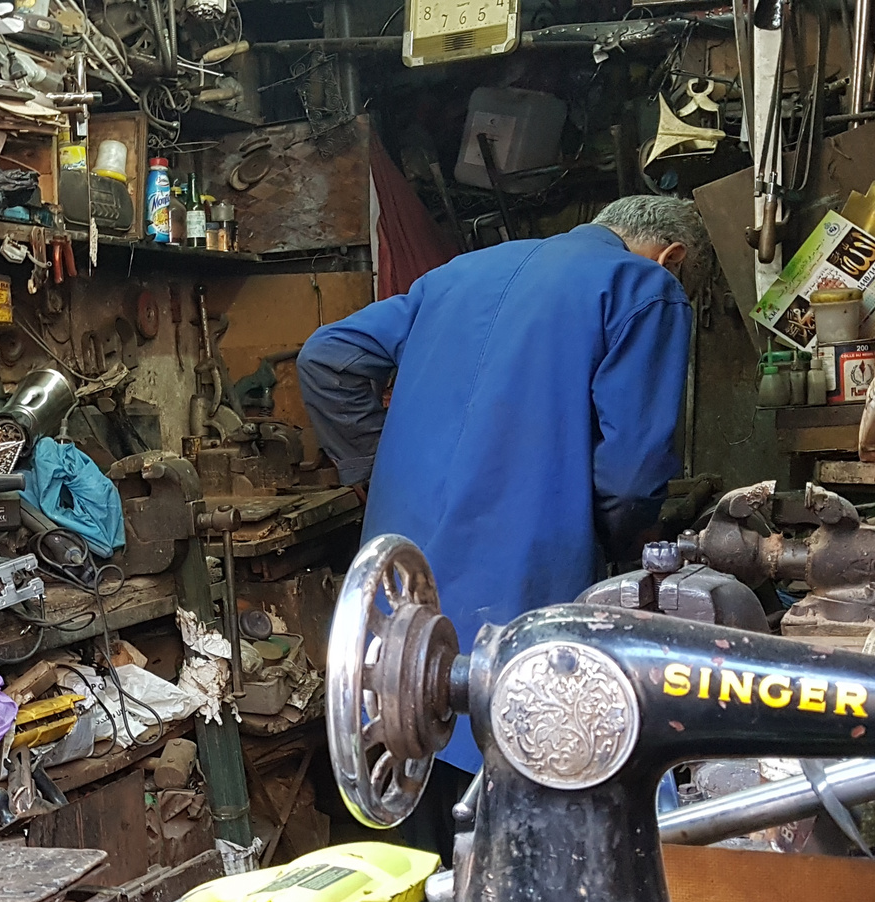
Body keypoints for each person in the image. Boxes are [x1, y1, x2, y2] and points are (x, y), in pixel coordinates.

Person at [296, 195, 712, 861]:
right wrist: (622, 549)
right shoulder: (644, 285)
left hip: (403, 583)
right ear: (673, 258)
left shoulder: (458, 273)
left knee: (409, 758)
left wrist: (379, 468)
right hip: (522, 580)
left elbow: (328, 356)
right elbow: (634, 475)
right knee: (514, 799)